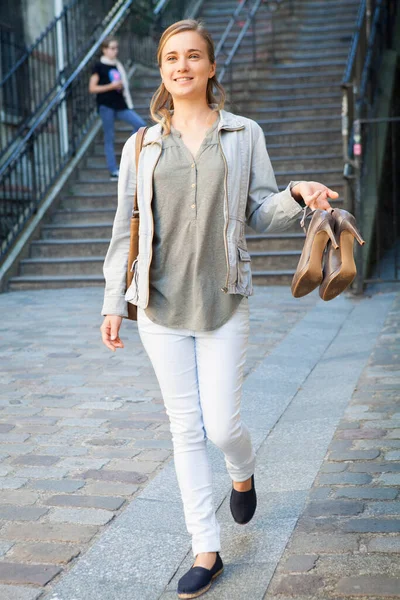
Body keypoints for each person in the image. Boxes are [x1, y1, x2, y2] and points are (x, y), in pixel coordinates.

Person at [100, 19, 338, 599]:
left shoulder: (243, 132)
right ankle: (206, 548)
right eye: (170, 58)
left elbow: (259, 210)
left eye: (192, 57)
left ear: (210, 67)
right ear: (161, 71)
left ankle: (241, 469)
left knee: (223, 425)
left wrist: (298, 194)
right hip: (158, 304)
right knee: (185, 430)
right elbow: (123, 227)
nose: (181, 66)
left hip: (225, 297)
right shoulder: (140, 144)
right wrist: (113, 301)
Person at [89, 36, 146, 180]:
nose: (115, 51)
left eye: (116, 48)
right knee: (110, 137)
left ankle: (129, 153)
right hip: (106, 106)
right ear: (104, 50)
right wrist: (111, 86)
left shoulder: (117, 65)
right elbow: (92, 88)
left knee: (140, 125)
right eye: (112, 48)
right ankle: (113, 170)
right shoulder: (99, 66)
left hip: (121, 104)